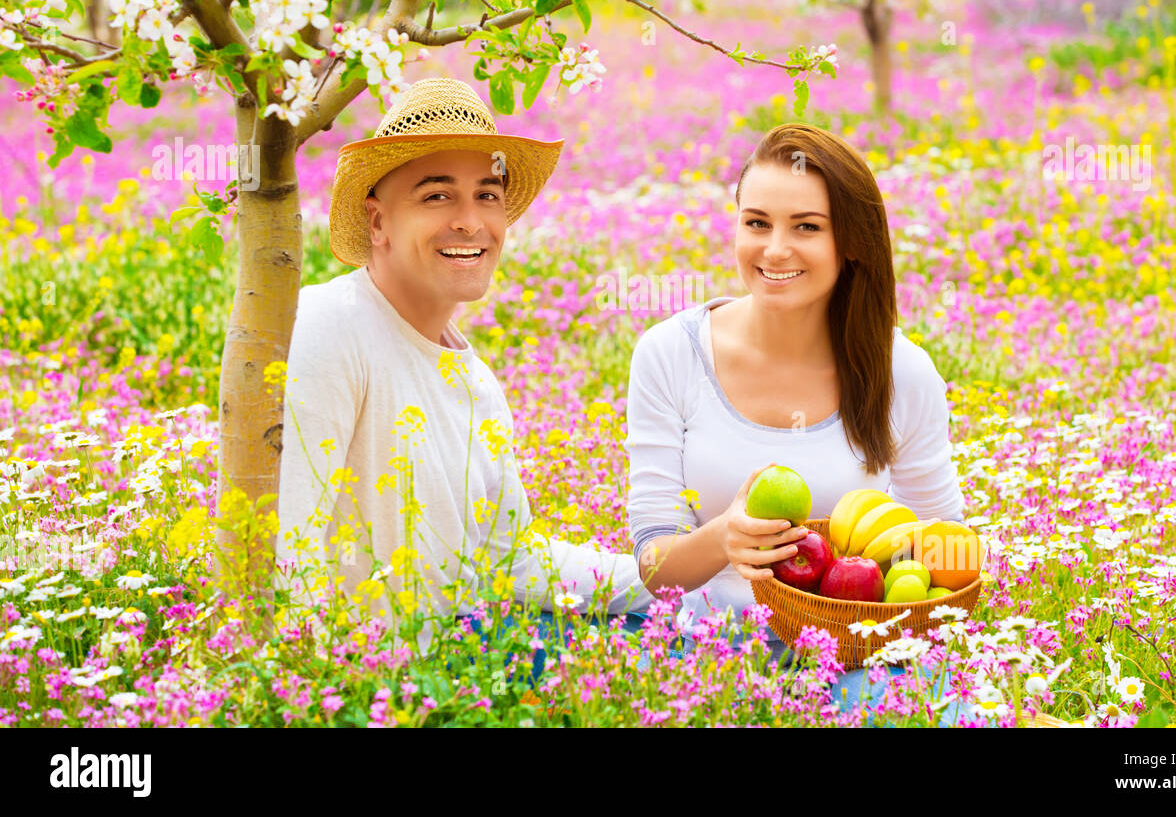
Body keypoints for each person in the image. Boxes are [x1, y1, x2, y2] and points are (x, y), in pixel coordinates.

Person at [274, 78, 651, 655]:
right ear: (377, 223)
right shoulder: (331, 326)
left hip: (455, 664)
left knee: (693, 635)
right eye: (437, 196)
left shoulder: (475, 382)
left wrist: (673, 576)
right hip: (367, 684)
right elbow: (287, 550)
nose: (472, 223)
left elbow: (515, 559)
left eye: (488, 195)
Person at [626, 122, 968, 721]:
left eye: (806, 227)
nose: (774, 249)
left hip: (861, 661)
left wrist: (893, 618)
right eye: (756, 222)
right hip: (713, 656)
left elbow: (949, 549)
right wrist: (722, 538)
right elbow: (655, 566)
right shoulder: (670, 354)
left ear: (852, 242)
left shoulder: (902, 373)